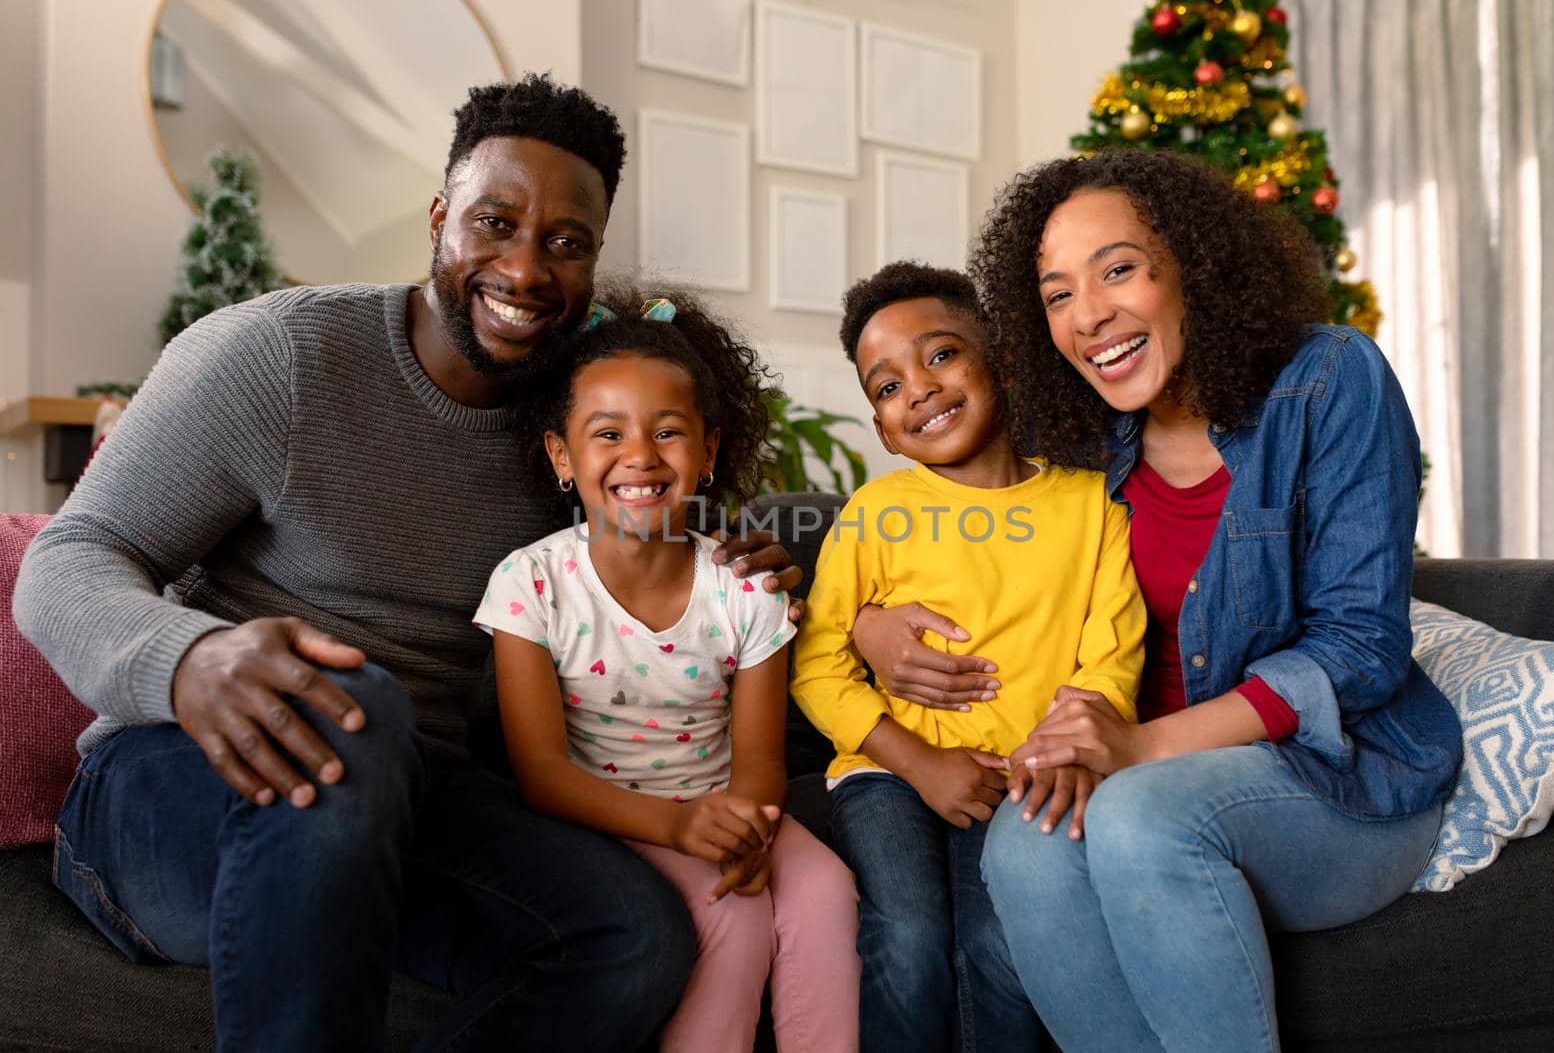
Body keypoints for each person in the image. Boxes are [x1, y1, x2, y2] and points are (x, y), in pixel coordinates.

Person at [12, 73, 804, 1051]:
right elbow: (73, 554)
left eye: (566, 242)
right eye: (494, 222)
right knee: (361, 706)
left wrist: (722, 560)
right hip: (174, 791)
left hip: (413, 800)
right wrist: (187, 659)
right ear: (439, 217)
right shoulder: (282, 356)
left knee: (630, 935)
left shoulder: (566, 423)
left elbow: (629, 570)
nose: (524, 266)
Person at [849, 150, 1464, 1051]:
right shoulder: (1083, 432)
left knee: (1136, 815)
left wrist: (1139, 746)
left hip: (1341, 780)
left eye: (1119, 270)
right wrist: (868, 624)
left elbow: (1362, 650)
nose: (1089, 315)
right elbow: (951, 522)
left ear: (1193, 265)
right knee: (1024, 842)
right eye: (1058, 294)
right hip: (1146, 769)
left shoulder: (1330, 379)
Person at [474, 288, 861, 1053]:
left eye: (669, 432)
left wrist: (745, 824)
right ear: (563, 456)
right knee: (735, 916)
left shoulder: (746, 586)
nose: (641, 457)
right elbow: (543, 771)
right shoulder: (531, 584)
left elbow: (758, 755)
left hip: (725, 807)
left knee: (825, 890)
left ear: (709, 451)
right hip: (611, 816)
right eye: (608, 433)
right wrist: (682, 827)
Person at [790, 261, 1146, 1052]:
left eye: (941, 355)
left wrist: (1054, 751)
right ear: (883, 429)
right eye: (886, 387)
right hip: (888, 772)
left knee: (1005, 947)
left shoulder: (1094, 504)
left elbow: (1109, 657)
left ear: (1003, 361)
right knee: (911, 935)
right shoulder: (876, 512)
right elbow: (816, 664)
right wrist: (918, 760)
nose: (917, 389)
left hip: (1027, 779)